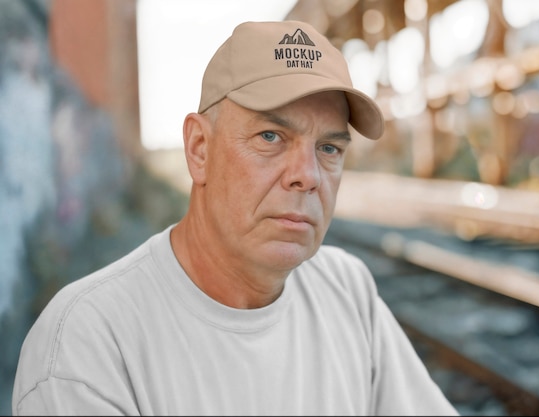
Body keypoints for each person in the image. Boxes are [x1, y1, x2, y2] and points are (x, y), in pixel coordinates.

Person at [12, 20, 458, 416]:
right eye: (270, 136)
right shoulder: (88, 344)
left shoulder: (347, 291)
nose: (307, 176)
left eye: (329, 148)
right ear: (199, 150)